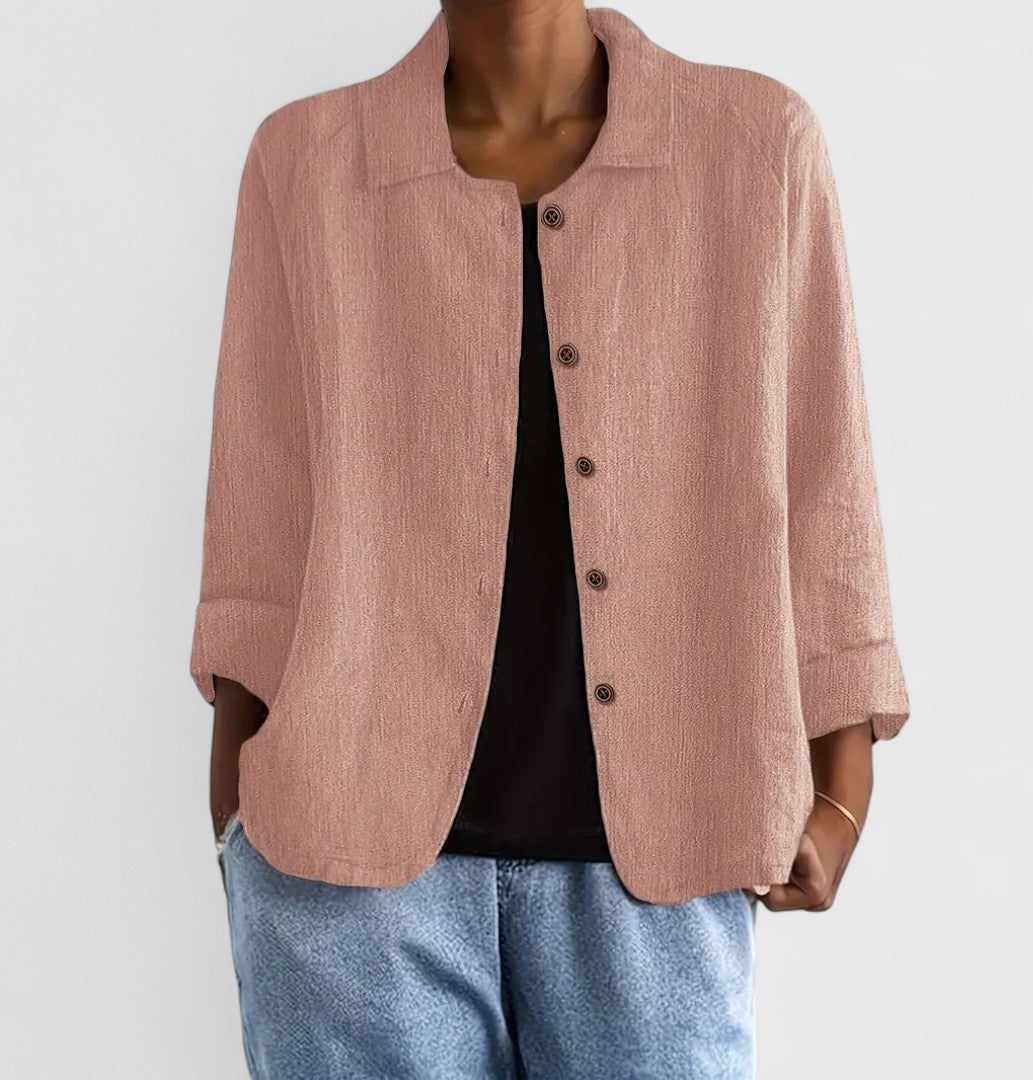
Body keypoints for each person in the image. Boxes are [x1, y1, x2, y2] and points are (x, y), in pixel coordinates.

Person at [192, 3, 911, 1077]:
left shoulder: (757, 146)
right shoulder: (308, 161)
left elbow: (823, 479)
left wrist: (842, 788)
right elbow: (261, 510)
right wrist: (239, 823)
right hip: (342, 882)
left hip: (664, 866)